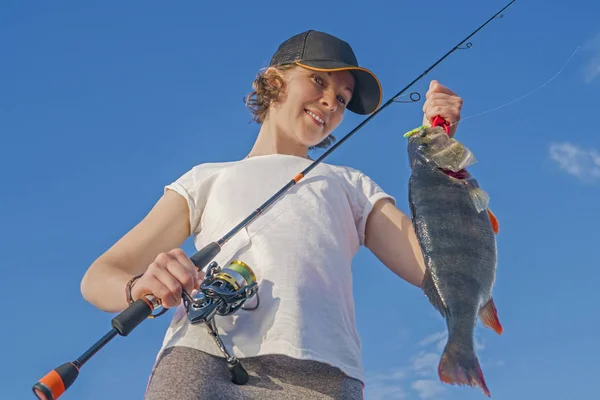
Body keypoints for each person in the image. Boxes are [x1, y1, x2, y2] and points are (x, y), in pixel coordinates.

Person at [80, 30, 463, 400]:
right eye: (318, 80)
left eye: (344, 99)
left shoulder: (351, 184)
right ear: (273, 80)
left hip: (323, 376)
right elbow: (98, 278)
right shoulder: (206, 178)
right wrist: (140, 286)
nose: (331, 102)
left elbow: (435, 269)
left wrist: (441, 149)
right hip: (198, 362)